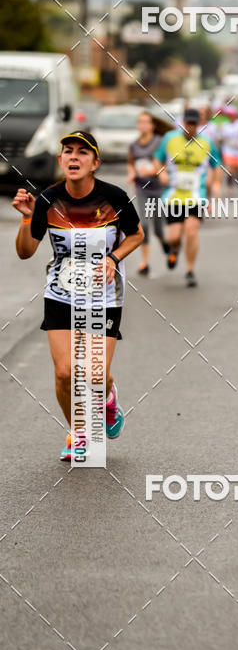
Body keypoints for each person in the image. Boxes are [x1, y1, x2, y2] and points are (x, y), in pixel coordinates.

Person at [12, 130, 144, 461]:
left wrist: (114, 258)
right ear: (60, 160)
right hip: (61, 292)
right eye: (68, 151)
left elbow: (137, 235)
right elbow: (26, 253)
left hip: (104, 296)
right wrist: (27, 218)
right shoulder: (47, 200)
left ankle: (108, 398)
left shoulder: (114, 197)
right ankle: (79, 431)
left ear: (95, 163)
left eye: (82, 152)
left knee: (95, 373)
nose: (74, 157)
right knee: (65, 372)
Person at [153, 107, 221, 287]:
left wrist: (214, 185)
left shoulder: (207, 143)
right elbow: (157, 158)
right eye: (188, 123)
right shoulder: (169, 139)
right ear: (183, 123)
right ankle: (174, 250)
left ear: (199, 124)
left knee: (191, 232)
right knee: (174, 237)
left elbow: (216, 165)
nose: (190, 127)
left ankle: (190, 270)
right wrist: (161, 174)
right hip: (173, 196)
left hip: (197, 197)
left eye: (194, 124)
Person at [127, 111, 170, 275]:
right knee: (143, 224)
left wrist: (152, 170)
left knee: (158, 228)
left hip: (159, 189)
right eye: (140, 122)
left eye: (146, 122)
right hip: (142, 189)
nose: (142, 125)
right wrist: (131, 173)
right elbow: (131, 163)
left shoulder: (160, 143)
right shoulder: (134, 145)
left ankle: (164, 242)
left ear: (152, 125)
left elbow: (167, 165)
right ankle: (145, 263)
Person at [220, 107, 238, 193]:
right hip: (228, 150)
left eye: (233, 115)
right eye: (230, 116)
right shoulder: (225, 125)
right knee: (229, 169)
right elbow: (222, 137)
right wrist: (227, 140)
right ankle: (229, 186)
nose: (231, 117)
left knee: (237, 168)